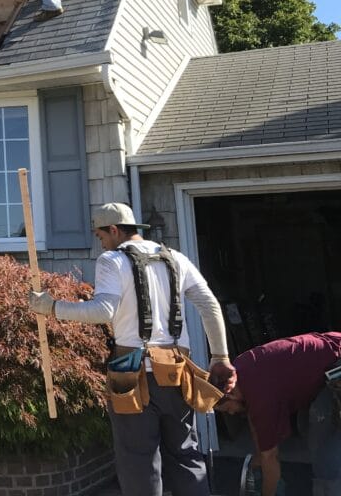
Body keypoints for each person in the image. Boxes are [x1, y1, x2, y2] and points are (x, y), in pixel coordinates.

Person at [29, 202, 236, 496]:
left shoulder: (112, 261)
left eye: (101, 237)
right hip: (177, 369)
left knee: (138, 460)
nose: (101, 244)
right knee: (184, 453)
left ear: (114, 230)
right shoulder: (175, 257)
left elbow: (103, 310)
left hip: (131, 368)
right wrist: (220, 357)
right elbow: (209, 304)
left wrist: (51, 307)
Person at [216, 332, 341, 496]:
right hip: (331, 353)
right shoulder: (239, 369)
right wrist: (258, 456)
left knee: (323, 444)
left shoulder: (260, 396)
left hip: (336, 371)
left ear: (230, 394)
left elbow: (271, 458)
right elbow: (256, 423)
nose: (231, 413)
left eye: (227, 409)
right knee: (306, 427)